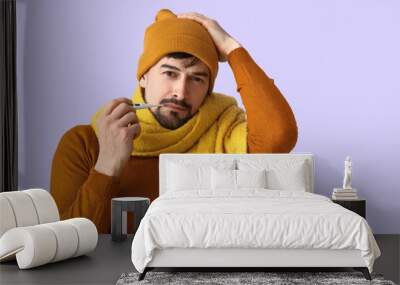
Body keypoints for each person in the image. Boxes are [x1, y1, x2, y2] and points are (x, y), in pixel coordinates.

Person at [50, 9, 298, 233]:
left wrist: (232, 48)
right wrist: (107, 165)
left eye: (197, 79)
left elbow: (279, 136)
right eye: (170, 73)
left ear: (208, 89)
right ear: (144, 77)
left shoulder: (224, 131)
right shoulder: (83, 142)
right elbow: (68, 240)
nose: (181, 92)